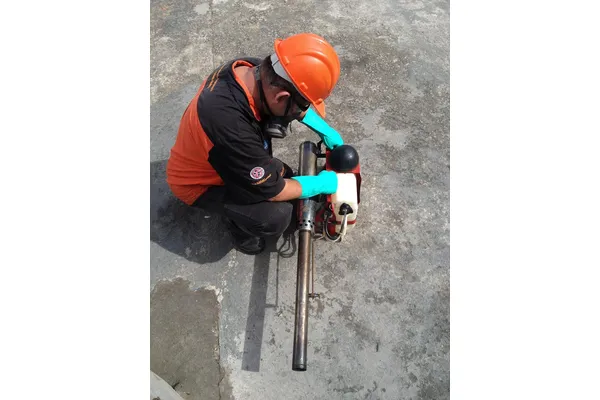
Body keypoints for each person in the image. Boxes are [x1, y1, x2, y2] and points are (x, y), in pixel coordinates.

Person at [166, 33, 345, 255]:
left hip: (221, 154)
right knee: (276, 216)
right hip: (200, 184)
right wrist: (320, 184)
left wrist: (324, 129)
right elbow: (275, 192)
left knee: (286, 175)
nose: (300, 112)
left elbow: (292, 97)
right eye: (303, 105)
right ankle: (239, 228)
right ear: (281, 97)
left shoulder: (255, 71)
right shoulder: (230, 125)